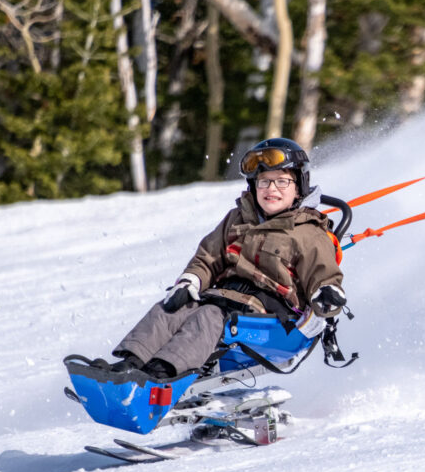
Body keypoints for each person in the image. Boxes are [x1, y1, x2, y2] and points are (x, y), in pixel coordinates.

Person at [94, 138, 347, 379]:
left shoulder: (308, 233)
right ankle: (130, 364)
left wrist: (326, 294)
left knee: (209, 317)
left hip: (271, 320)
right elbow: (207, 258)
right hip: (224, 299)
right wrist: (190, 282)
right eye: (264, 182)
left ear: (299, 186)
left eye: (282, 182)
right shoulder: (237, 218)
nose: (271, 189)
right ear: (253, 186)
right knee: (172, 306)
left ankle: (161, 374)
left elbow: (325, 277)